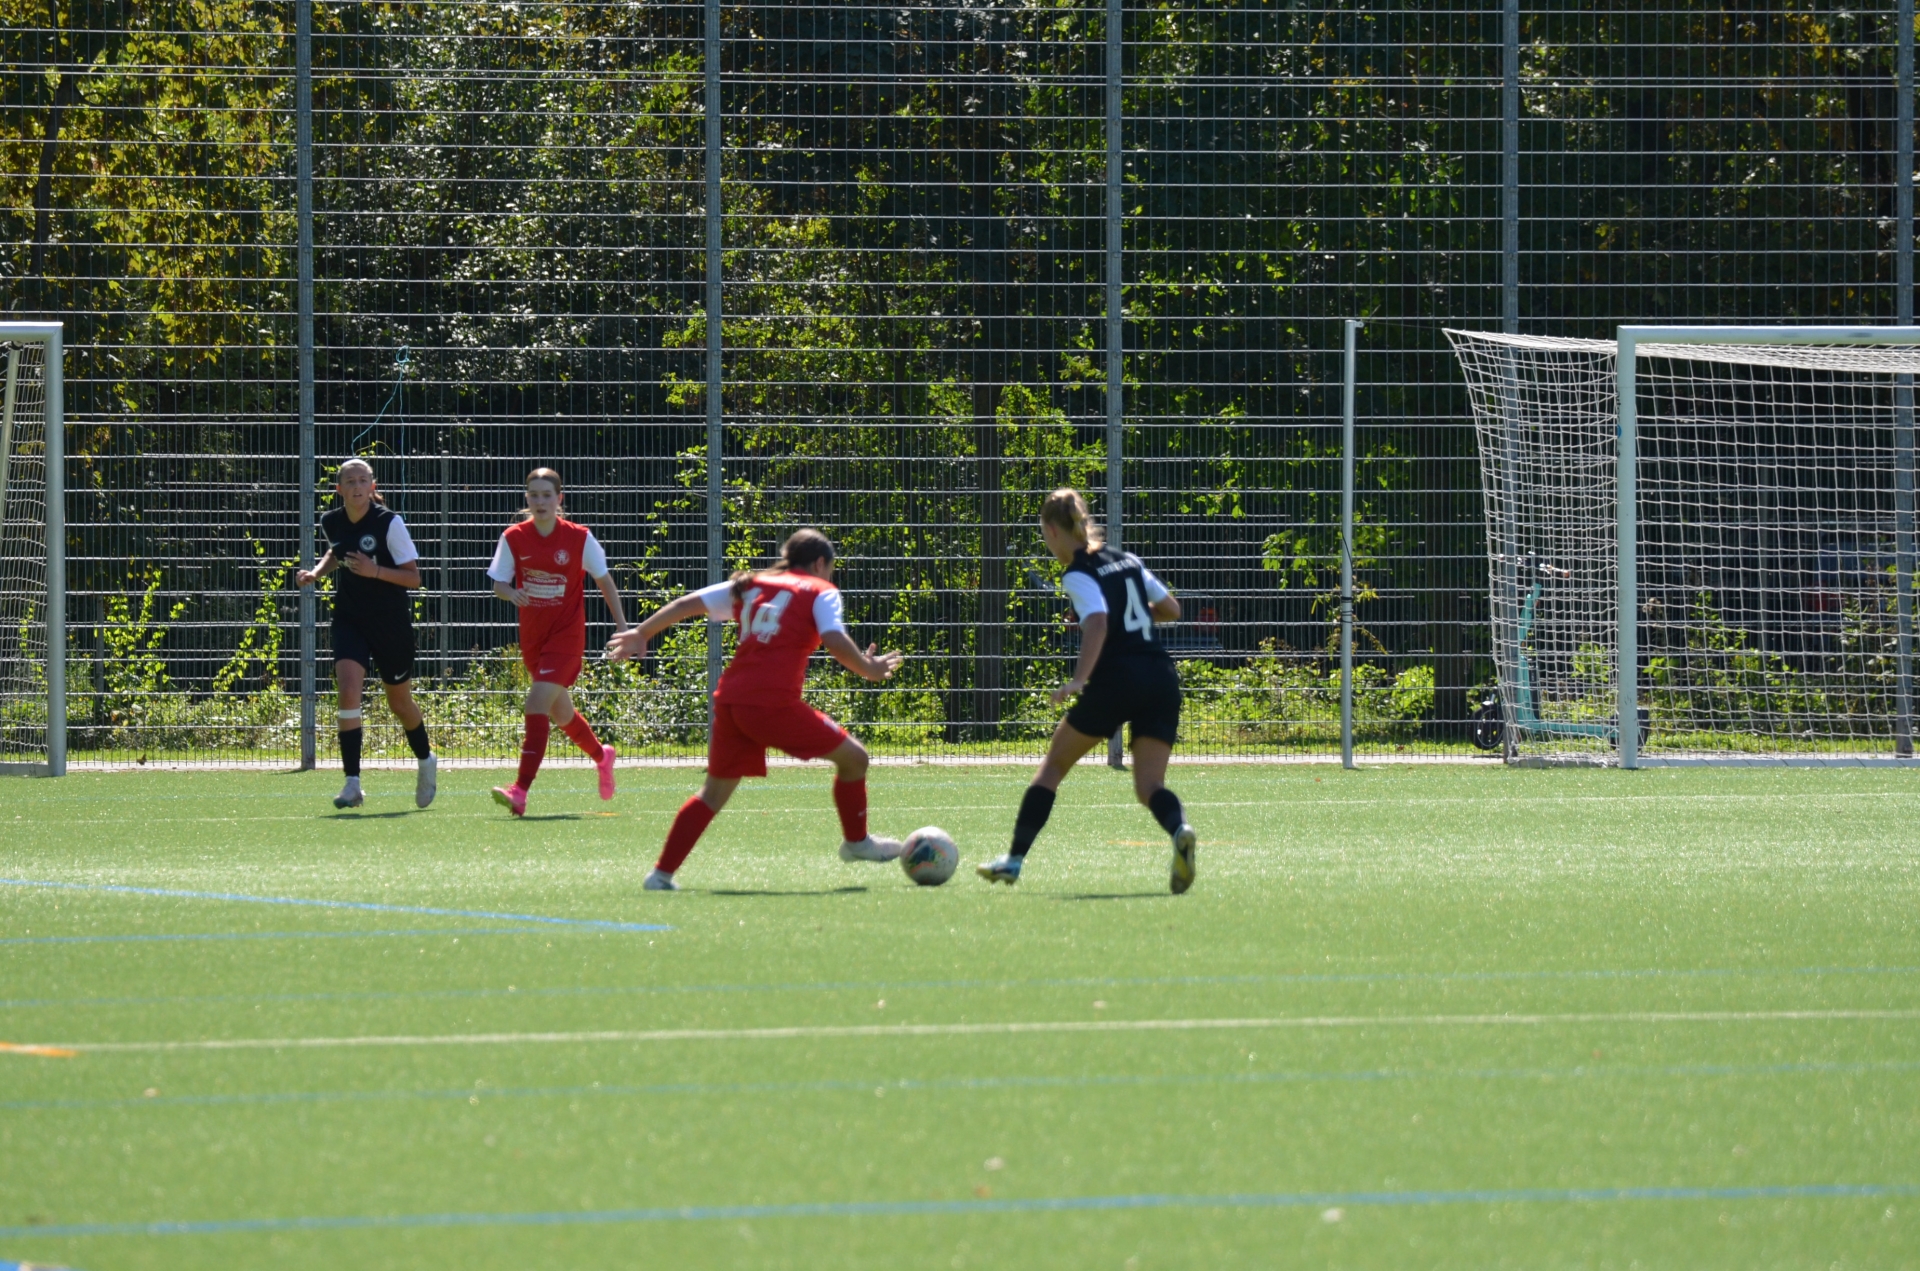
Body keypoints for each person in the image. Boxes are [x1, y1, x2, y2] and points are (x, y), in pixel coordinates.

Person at [606, 528, 904, 890]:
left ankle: (660, 875)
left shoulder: (753, 584)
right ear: (821, 563)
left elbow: (689, 604)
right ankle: (856, 842)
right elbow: (835, 639)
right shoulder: (821, 590)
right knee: (855, 759)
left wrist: (642, 633)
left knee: (712, 795)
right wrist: (868, 668)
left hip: (731, 701)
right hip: (771, 704)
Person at [976, 488, 1198, 893]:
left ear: (1052, 530)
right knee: (1150, 787)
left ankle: (1013, 860)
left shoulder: (1078, 572)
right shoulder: (1126, 560)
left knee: (1053, 768)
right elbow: (1172, 609)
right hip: (1161, 677)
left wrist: (1080, 678)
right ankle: (1180, 829)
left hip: (1118, 679)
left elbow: (1096, 620)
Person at [295, 458, 437, 811]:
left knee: (399, 704)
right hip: (349, 618)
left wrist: (375, 572)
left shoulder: (390, 524)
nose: (357, 486)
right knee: (347, 690)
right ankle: (352, 783)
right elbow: (337, 551)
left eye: (363, 480)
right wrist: (316, 572)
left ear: (372, 487)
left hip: (390, 623)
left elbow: (414, 579)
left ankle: (426, 760)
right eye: (350, 481)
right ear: (339, 489)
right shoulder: (331, 521)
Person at [486, 468, 629, 816]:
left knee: (535, 705)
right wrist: (511, 593)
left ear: (559, 499)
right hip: (533, 639)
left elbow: (605, 582)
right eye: (533, 495)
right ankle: (601, 755)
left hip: (566, 637)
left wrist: (624, 629)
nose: (540, 501)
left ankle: (519, 791)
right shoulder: (514, 537)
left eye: (546, 495)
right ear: (526, 499)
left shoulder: (579, 539)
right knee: (561, 712)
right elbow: (498, 584)